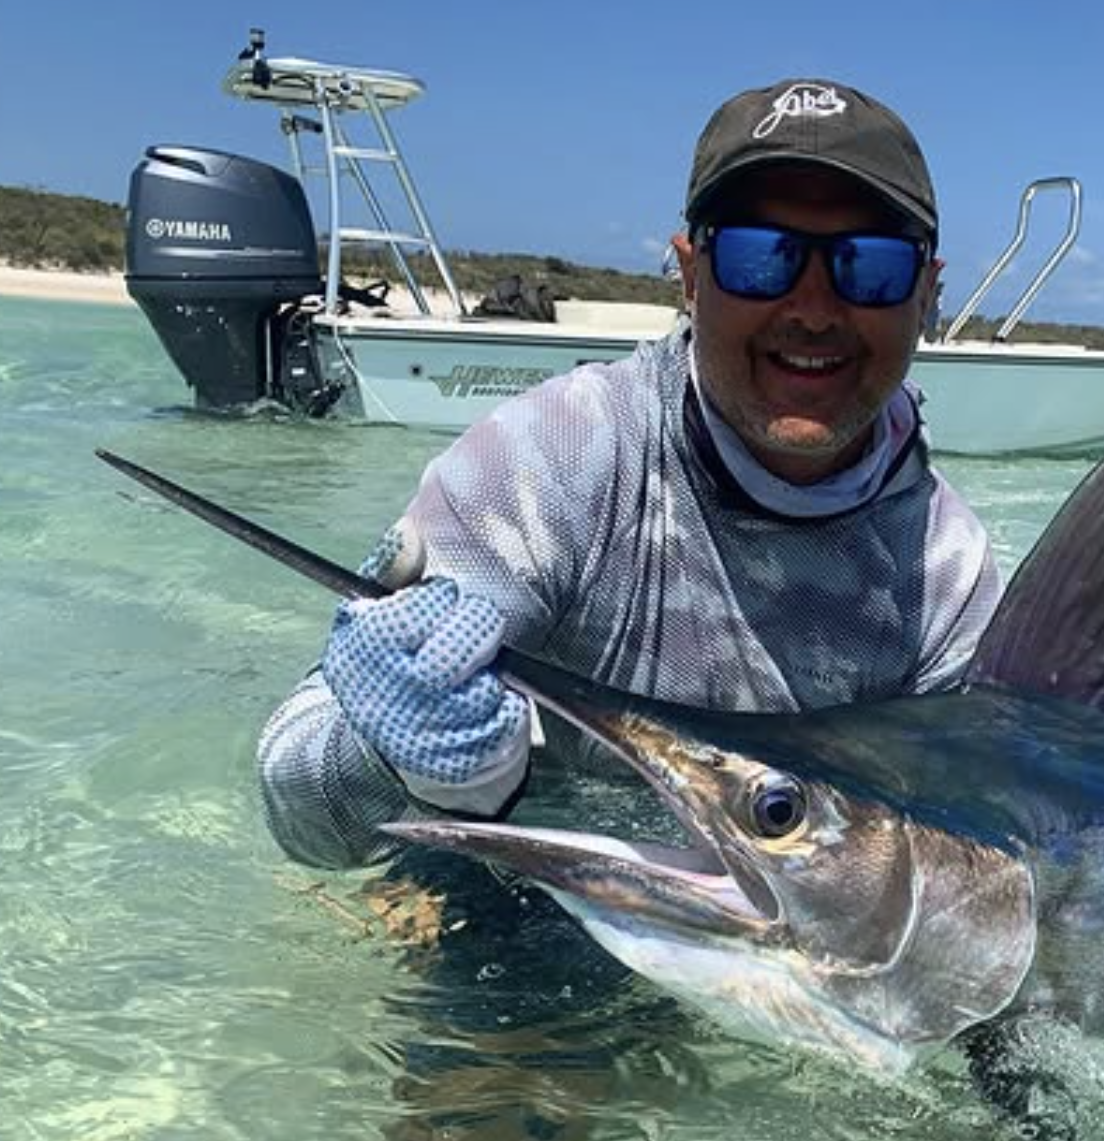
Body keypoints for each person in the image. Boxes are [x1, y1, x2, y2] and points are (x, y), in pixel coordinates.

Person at [257, 76, 1002, 871]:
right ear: (689, 274)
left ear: (927, 294)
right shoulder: (554, 460)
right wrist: (384, 759)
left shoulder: (945, 579)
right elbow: (303, 823)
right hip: (494, 913)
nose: (814, 308)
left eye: (870, 266)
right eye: (760, 258)